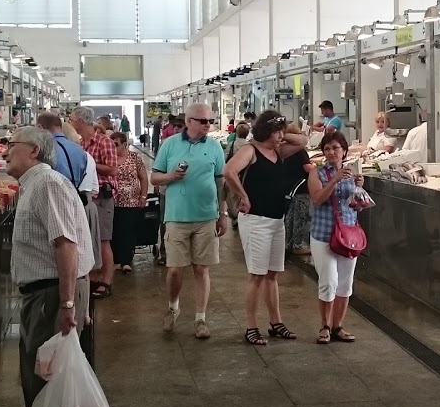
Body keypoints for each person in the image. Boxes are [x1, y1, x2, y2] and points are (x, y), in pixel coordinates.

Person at [3, 126, 93, 407]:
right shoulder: (33, 185)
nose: (6, 151)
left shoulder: (48, 186)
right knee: (34, 386)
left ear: (35, 151)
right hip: (40, 295)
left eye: (12, 146)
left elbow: (66, 246)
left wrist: (68, 301)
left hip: (51, 295)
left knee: (51, 389)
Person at [224, 111, 310, 346]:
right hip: (256, 220)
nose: (281, 136)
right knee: (257, 276)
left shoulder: (278, 151)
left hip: (276, 220)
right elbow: (229, 171)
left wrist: (281, 136)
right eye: (277, 131)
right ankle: (251, 326)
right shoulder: (250, 151)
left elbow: (303, 140)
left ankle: (276, 322)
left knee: (272, 274)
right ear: (265, 132)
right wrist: (243, 196)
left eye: (283, 130)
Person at [149, 104, 227, 339]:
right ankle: (173, 307)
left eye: (210, 122)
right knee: (174, 270)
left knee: (202, 269)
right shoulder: (170, 145)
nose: (207, 126)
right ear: (189, 121)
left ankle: (200, 319)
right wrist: (172, 176)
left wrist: (222, 214)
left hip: (206, 217)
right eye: (203, 121)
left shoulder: (215, 147)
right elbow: (154, 176)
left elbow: (220, 182)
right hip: (176, 217)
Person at [306, 131, 367, 344]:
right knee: (328, 282)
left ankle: (337, 326)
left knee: (345, 283)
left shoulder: (351, 174)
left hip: (348, 235)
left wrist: (359, 189)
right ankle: (324, 325)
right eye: (327, 149)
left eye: (336, 148)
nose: (332, 152)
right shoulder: (317, 173)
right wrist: (334, 180)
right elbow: (317, 199)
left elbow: (357, 206)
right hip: (324, 235)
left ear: (344, 151)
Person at [70, 106, 118, 298]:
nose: (70, 122)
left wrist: (88, 162)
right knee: (88, 240)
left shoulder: (104, 142)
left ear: (81, 121)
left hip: (103, 198)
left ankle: (106, 281)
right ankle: (92, 277)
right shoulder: (81, 143)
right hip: (87, 198)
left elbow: (113, 169)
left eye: (72, 119)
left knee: (104, 240)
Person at [109, 131, 148, 273]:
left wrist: (143, 197)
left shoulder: (134, 158)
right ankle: (115, 260)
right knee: (114, 231)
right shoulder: (109, 159)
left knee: (128, 231)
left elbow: (143, 177)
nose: (113, 147)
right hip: (112, 201)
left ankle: (126, 260)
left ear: (124, 144)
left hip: (131, 202)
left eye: (116, 144)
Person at [283, 121, 314, 256]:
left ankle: (288, 242)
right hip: (301, 187)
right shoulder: (300, 151)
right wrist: (318, 168)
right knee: (301, 216)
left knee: (290, 217)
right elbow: (307, 168)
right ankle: (298, 244)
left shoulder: (283, 149)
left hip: (289, 187)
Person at [38, 112, 87, 188]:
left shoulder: (44, 148)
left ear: (40, 127)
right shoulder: (79, 149)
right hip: (74, 194)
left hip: (52, 194)